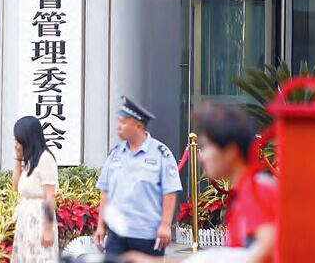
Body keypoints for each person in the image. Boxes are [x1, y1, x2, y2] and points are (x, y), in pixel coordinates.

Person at [123, 102, 277, 263]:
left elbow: (268, 244)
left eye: (207, 146)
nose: (201, 156)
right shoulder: (248, 190)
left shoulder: (254, 190)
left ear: (230, 151)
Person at [94, 96, 183, 257]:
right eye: (119, 122)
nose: (118, 127)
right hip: (116, 235)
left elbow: (169, 192)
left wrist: (165, 225)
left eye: (123, 123)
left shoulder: (161, 154)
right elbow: (105, 191)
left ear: (139, 126)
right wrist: (101, 225)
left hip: (147, 235)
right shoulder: (115, 154)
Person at [12, 116, 59, 263]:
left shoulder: (45, 159)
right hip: (26, 220)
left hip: (39, 220)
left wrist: (48, 230)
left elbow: (50, 196)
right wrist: (18, 159)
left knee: (40, 257)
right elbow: (16, 186)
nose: (16, 143)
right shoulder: (30, 161)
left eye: (18, 139)